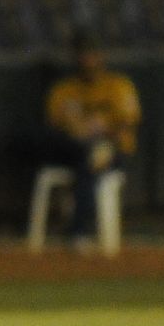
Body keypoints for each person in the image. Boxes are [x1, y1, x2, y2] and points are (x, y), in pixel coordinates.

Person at [42, 32, 142, 249]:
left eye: (91, 54)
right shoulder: (64, 89)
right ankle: (78, 232)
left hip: (113, 150)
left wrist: (101, 131)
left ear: (101, 57)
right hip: (76, 150)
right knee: (86, 157)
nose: (87, 60)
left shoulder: (118, 85)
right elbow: (56, 126)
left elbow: (127, 124)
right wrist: (80, 130)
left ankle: (78, 231)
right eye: (83, 55)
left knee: (92, 161)